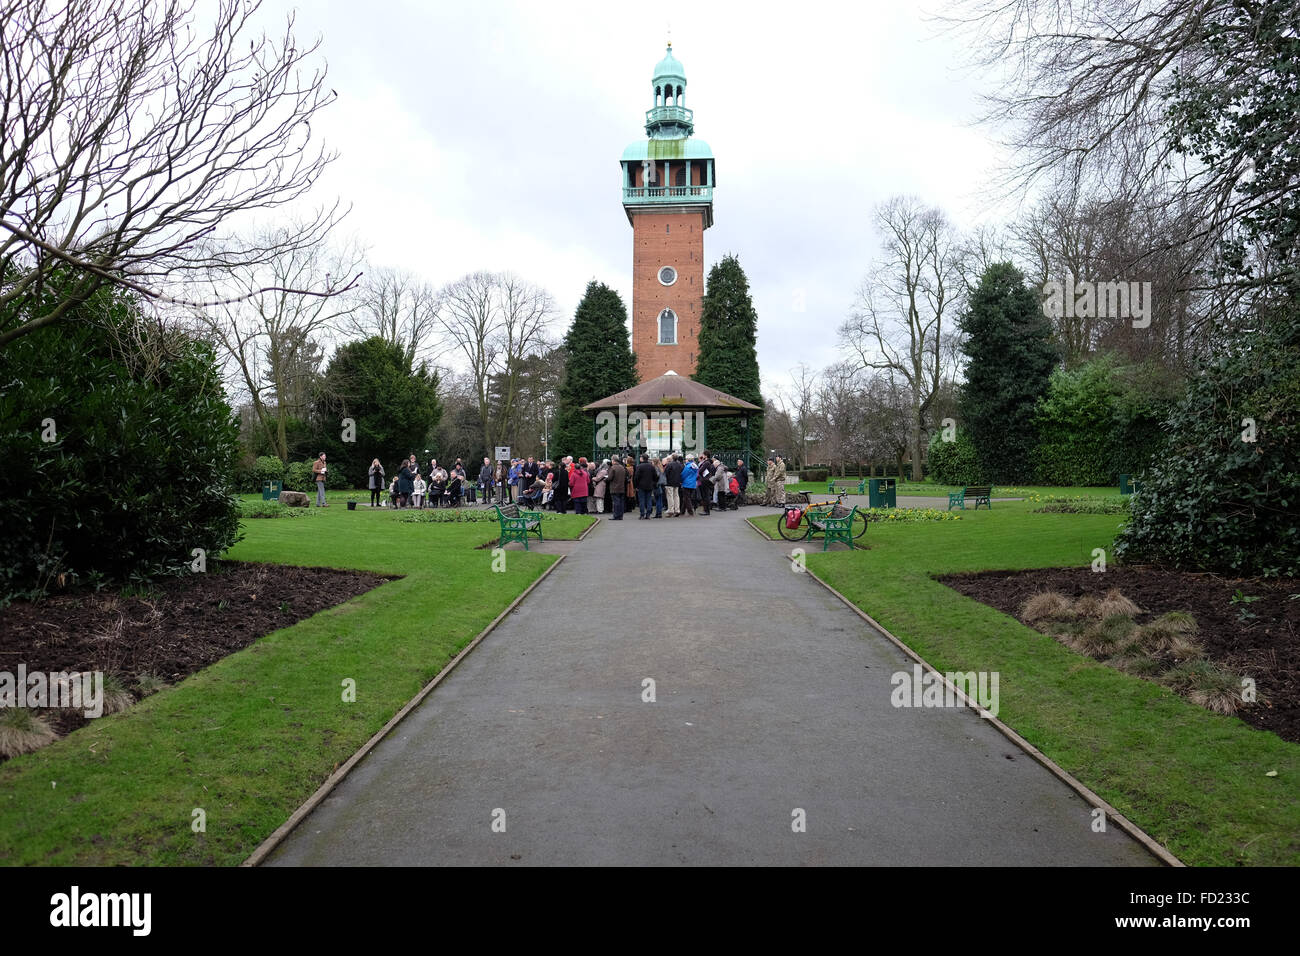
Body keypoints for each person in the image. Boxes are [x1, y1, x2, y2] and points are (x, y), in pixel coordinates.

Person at [633, 454, 657, 519]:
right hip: (649, 485)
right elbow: (655, 476)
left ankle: (642, 514)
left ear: (642, 458)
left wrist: (636, 485)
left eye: (640, 457)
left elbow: (636, 477)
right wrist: (653, 483)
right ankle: (648, 514)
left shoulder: (639, 466)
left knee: (642, 500)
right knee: (649, 499)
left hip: (641, 486)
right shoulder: (651, 466)